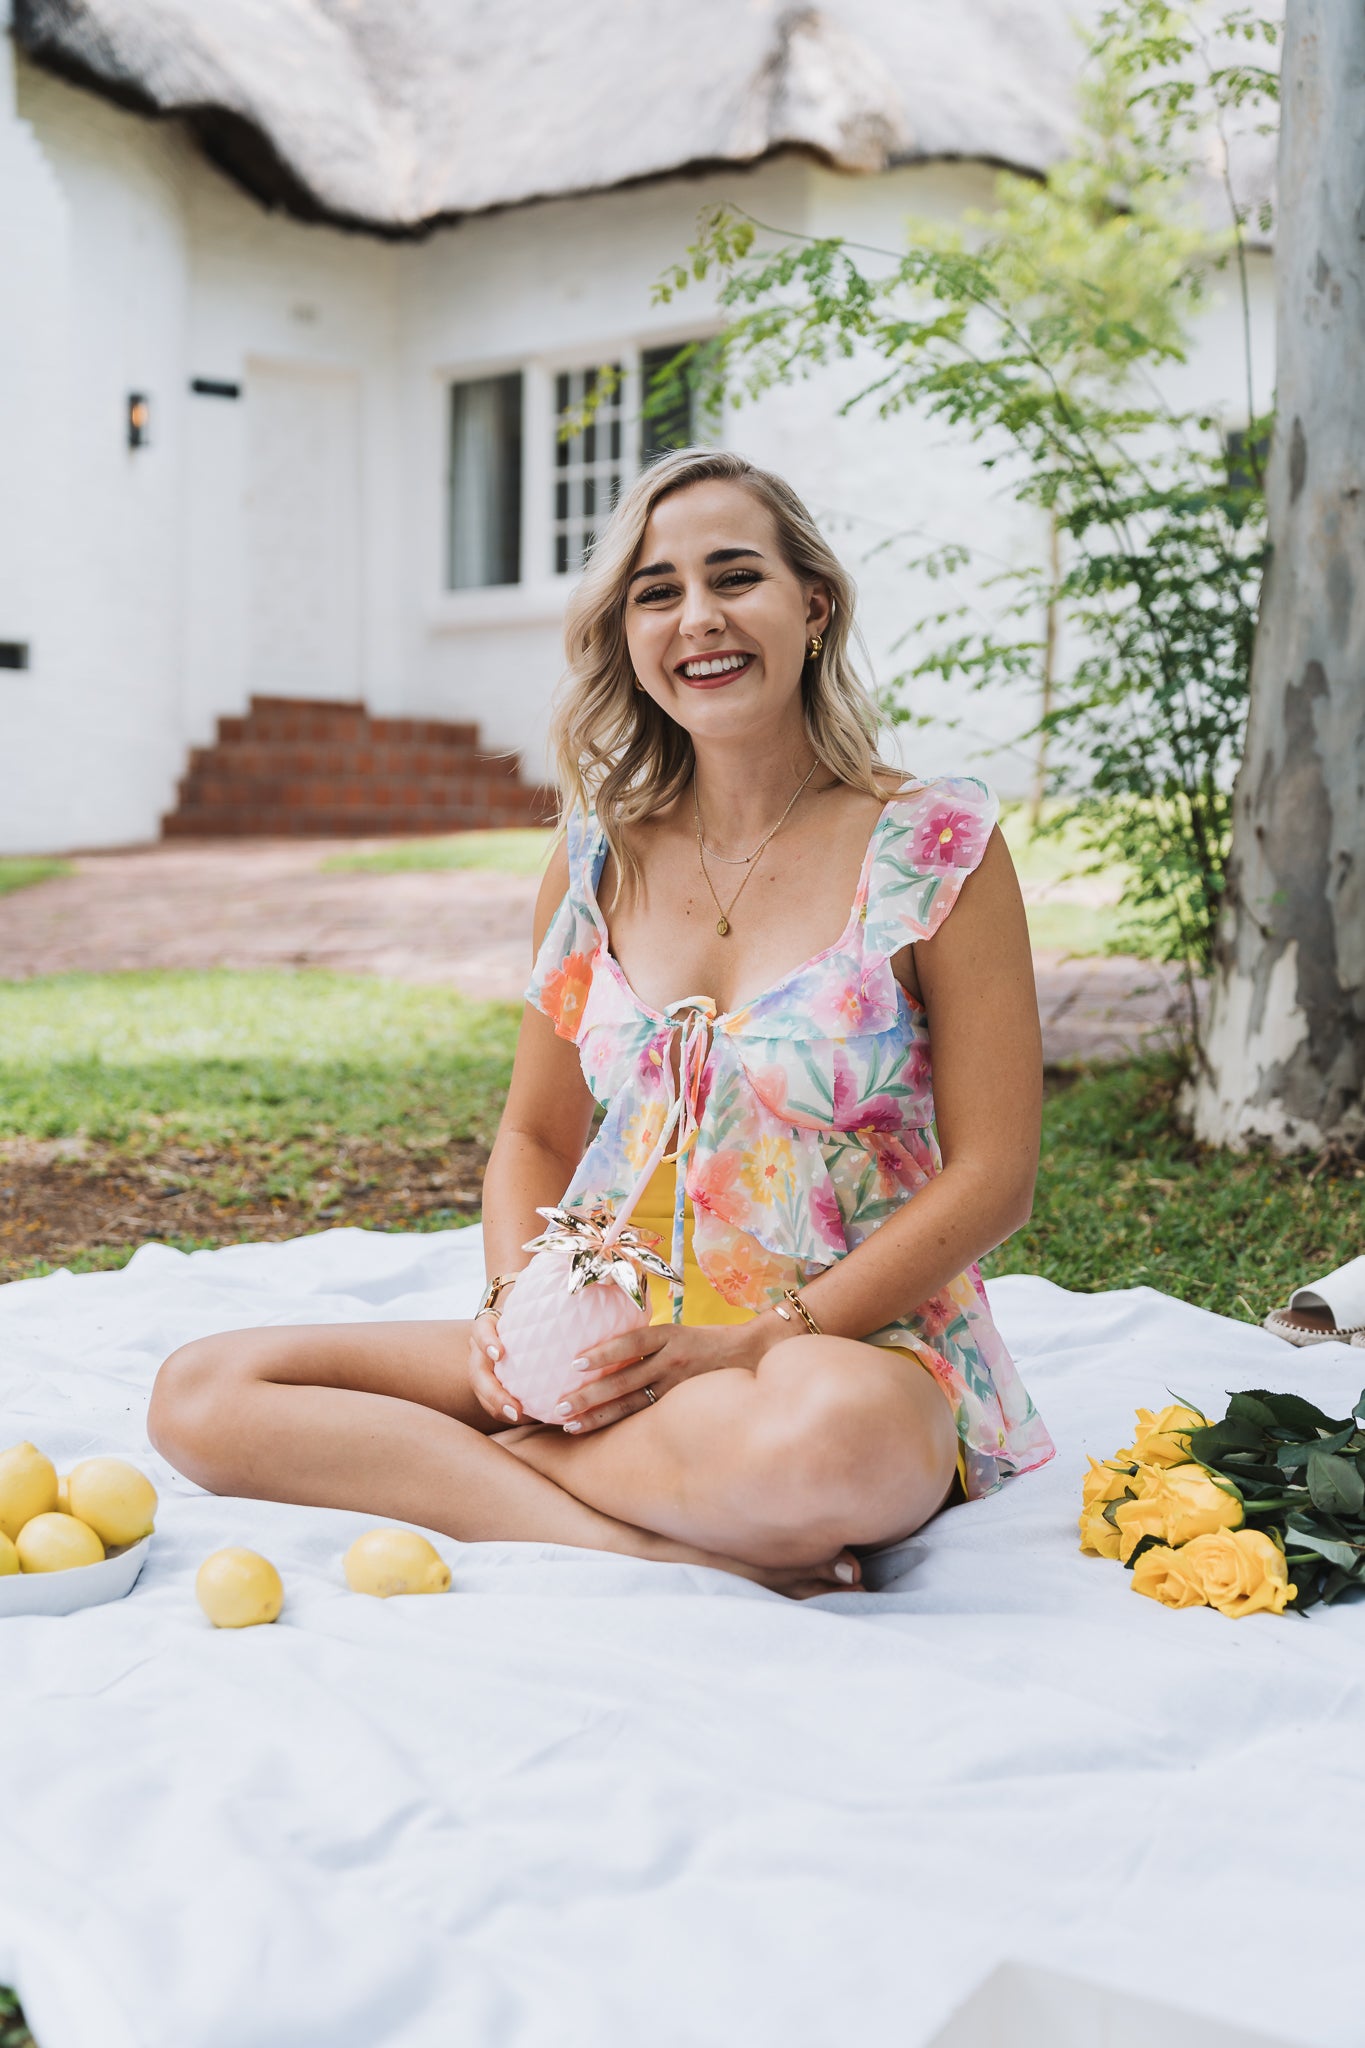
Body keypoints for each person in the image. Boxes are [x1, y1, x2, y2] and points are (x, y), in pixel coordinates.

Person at [149, 448, 1053, 1598]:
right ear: (625, 630)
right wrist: (515, 1316)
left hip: (838, 1344)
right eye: (657, 590)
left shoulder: (934, 844)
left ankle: (483, 1474)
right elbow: (536, 1133)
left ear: (813, 605)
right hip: (613, 1332)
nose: (699, 618)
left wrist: (755, 1339)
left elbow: (996, 1175)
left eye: (736, 577)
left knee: (833, 1443)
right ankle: (636, 1540)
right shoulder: (593, 856)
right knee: (202, 1393)